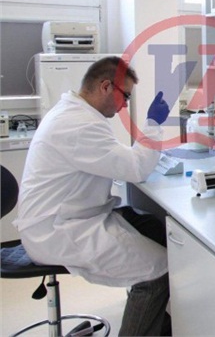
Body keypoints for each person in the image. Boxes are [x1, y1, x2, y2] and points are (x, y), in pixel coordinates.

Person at [15, 56, 171, 336]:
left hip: (73, 216)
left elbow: (115, 159)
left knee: (152, 227)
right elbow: (136, 168)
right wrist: (152, 124)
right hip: (59, 231)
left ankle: (159, 324)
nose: (125, 105)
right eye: (125, 96)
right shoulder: (79, 125)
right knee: (159, 271)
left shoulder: (74, 112)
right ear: (106, 87)